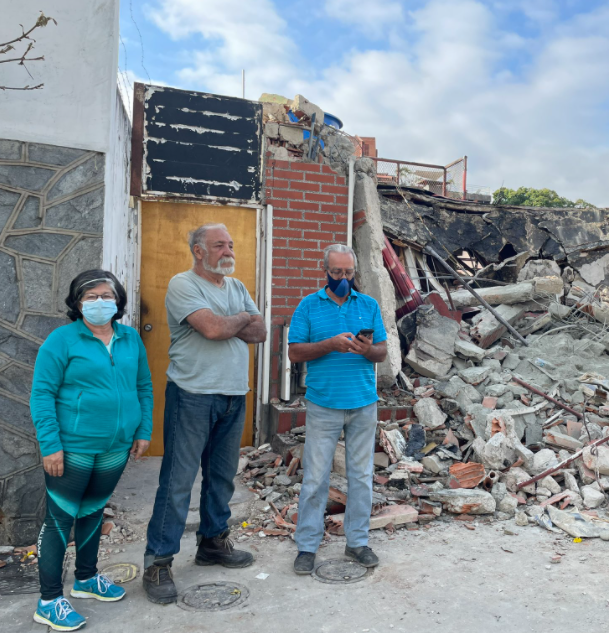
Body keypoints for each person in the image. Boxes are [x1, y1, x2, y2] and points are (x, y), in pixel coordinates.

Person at [143, 223, 266, 604]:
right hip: (192, 395)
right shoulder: (183, 285)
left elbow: (260, 332)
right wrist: (241, 320)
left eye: (230, 244)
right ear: (199, 251)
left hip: (233, 395)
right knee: (178, 480)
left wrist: (241, 321)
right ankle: (158, 561)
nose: (228, 250)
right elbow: (212, 329)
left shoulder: (236, 286)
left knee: (222, 477)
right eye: (219, 245)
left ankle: (212, 541)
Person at [29, 270, 153, 631]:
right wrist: (50, 445)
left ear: (118, 301)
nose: (100, 302)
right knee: (59, 521)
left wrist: (143, 430)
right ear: (77, 302)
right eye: (91, 296)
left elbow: (143, 386)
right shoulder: (62, 340)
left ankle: (86, 580)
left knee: (94, 512)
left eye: (106, 295)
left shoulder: (130, 338)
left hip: (115, 448)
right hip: (73, 448)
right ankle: (49, 600)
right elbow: (42, 394)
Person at [287, 244, 388, 575]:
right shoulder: (308, 306)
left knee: (361, 476)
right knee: (316, 477)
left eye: (348, 273)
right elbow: (295, 353)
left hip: (363, 403)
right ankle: (307, 546)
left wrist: (367, 349)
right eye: (336, 272)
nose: (343, 278)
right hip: (323, 405)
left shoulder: (369, 305)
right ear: (324, 270)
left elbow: (382, 353)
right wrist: (329, 344)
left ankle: (357, 541)